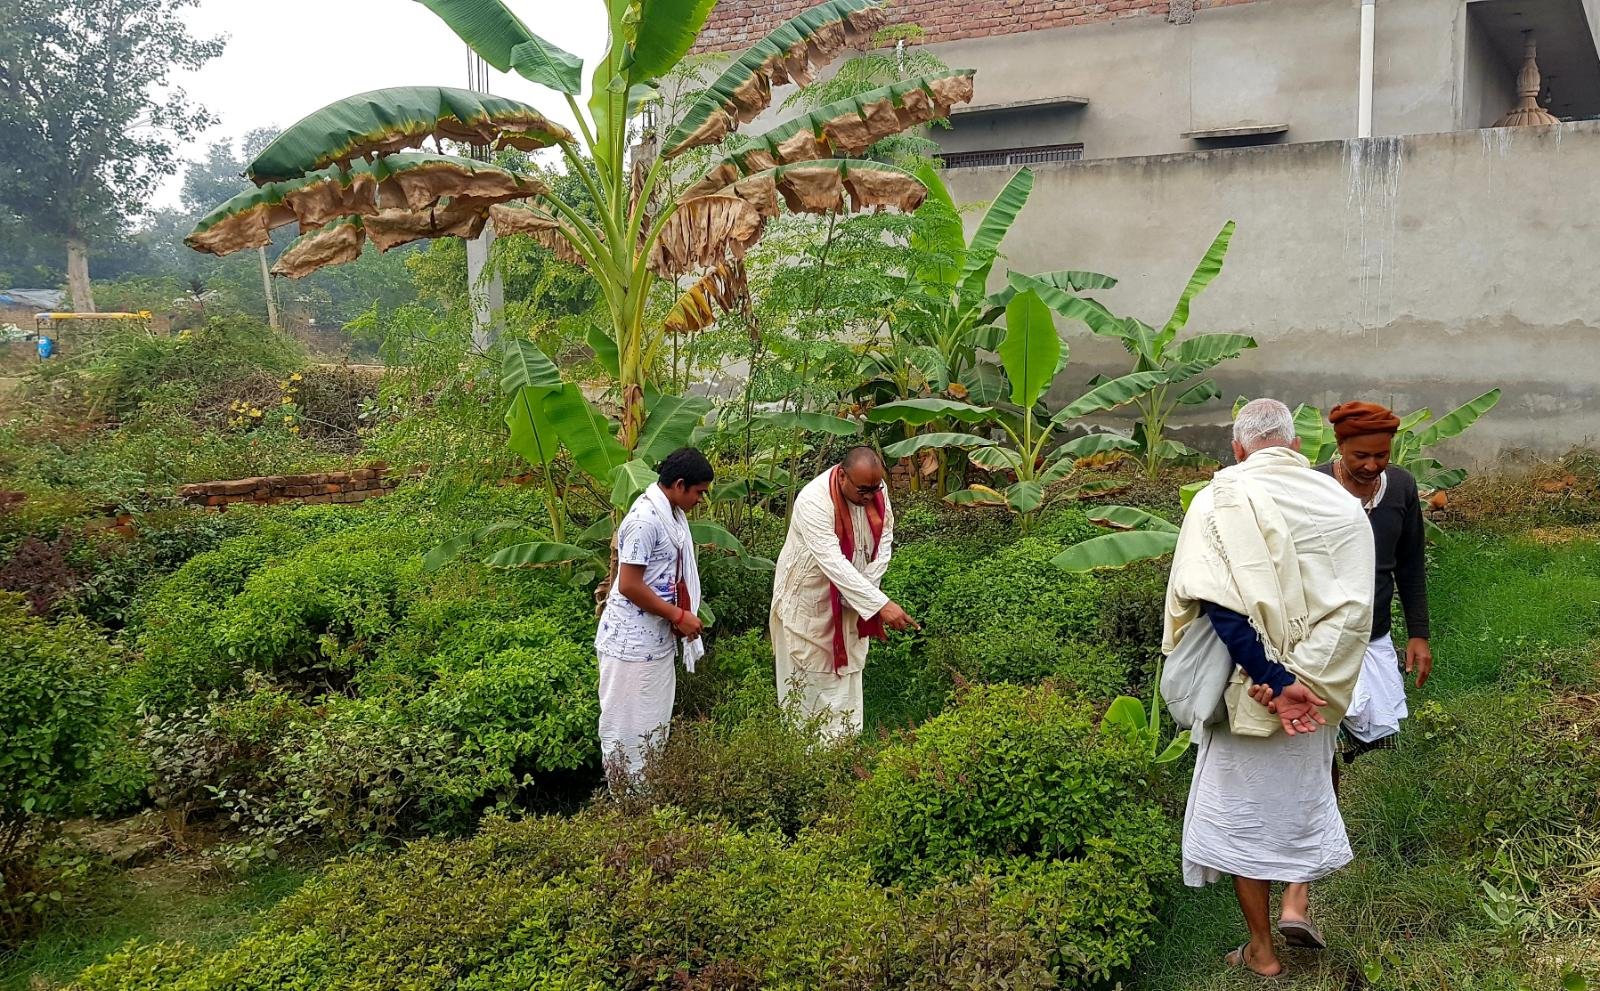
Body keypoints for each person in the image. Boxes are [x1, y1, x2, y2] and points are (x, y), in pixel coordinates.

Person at [1163, 399, 1375, 978]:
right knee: (1304, 799)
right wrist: (1302, 680)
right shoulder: (1340, 504)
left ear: (1236, 451)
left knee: (1242, 816)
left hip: (1244, 688)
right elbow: (1356, 610)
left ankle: (1261, 949)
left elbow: (1217, 603)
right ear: (1297, 448)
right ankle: (1295, 901)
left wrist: (1271, 678)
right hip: (1312, 697)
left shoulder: (1217, 500)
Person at [770, 447, 918, 739]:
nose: (869, 497)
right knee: (809, 679)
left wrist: (869, 585)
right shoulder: (813, 502)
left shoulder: (875, 490)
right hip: (809, 601)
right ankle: (807, 759)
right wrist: (880, 605)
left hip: (854, 598)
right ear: (841, 476)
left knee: (848, 675)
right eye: (863, 490)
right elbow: (832, 563)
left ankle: (845, 749)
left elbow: (886, 534)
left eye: (874, 490)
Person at [1315, 400, 1432, 759]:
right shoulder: (1313, 485)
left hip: (1374, 632)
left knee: (1376, 739)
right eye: (1360, 456)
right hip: (1320, 636)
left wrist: (1418, 633)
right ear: (1340, 447)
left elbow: (1410, 565)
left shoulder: (1400, 487)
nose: (1372, 465)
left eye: (1381, 456)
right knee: (1318, 742)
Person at [594, 447, 713, 780]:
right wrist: (678, 615)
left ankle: (645, 798)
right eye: (699, 492)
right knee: (626, 729)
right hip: (629, 645)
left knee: (652, 725)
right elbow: (629, 585)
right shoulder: (645, 520)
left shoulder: (672, 516)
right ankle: (626, 802)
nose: (701, 500)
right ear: (679, 485)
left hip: (654, 642)